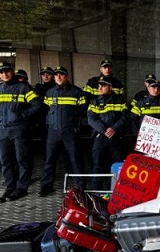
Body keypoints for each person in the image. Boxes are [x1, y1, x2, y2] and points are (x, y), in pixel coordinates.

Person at [39, 66, 87, 196]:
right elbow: (46, 111)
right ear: (54, 77)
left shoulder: (76, 92)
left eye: (61, 74)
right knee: (49, 160)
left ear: (67, 76)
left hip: (70, 132)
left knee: (75, 159)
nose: (58, 77)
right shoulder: (49, 93)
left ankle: (81, 186)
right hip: (53, 132)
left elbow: (83, 112)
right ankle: (46, 187)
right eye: (56, 75)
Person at [0, 62, 42, 202]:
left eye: (7, 71)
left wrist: (23, 116)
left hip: (18, 129)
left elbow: (37, 105)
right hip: (3, 130)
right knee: (5, 160)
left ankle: (21, 188)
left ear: (11, 72)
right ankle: (10, 187)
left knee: (21, 159)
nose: (4, 74)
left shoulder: (23, 88)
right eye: (1, 72)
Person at [87, 75, 128, 190]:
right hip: (100, 135)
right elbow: (91, 119)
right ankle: (97, 189)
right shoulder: (94, 101)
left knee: (118, 164)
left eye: (103, 86)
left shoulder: (120, 101)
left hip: (116, 136)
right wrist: (104, 130)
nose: (100, 88)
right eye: (99, 86)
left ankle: (118, 189)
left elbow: (125, 118)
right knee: (97, 163)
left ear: (110, 87)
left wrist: (114, 128)